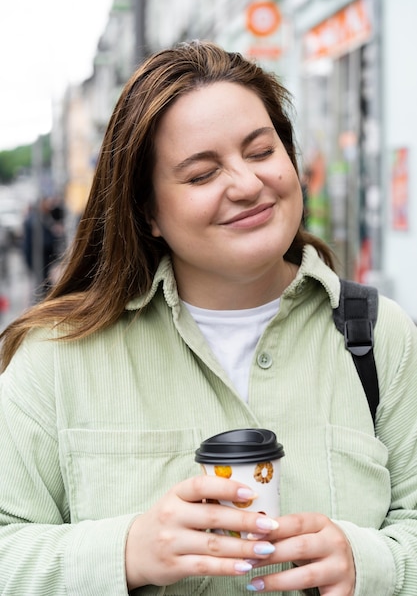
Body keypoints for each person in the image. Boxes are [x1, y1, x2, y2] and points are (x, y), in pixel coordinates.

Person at [0, 41, 416, 596]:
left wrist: (372, 565)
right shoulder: (57, 354)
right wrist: (126, 551)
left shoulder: (378, 335)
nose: (246, 185)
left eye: (261, 151)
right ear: (147, 212)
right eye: (201, 175)